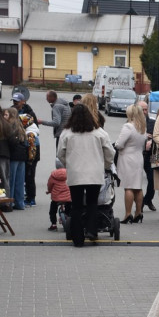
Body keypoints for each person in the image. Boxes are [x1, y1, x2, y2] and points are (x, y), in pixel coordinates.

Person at [56, 105, 115, 247]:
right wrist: (106, 165)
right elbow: (110, 152)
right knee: (92, 203)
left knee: (76, 205)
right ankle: (92, 230)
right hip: (94, 173)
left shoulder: (67, 133)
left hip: (75, 173)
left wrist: (68, 164)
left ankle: (77, 238)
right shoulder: (99, 132)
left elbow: (60, 154)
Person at [114, 104, 149, 224]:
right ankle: (138, 212)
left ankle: (128, 214)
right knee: (137, 187)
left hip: (127, 158)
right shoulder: (142, 127)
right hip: (138, 157)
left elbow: (119, 144)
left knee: (128, 187)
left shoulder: (128, 126)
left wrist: (116, 144)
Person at [4, 107, 29, 210]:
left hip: (13, 155)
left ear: (11, 115)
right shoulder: (20, 125)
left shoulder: (9, 126)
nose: (4, 117)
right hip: (22, 156)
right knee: (20, 180)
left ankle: (10, 202)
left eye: (6, 114)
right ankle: (20, 203)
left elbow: (10, 142)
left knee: (11, 180)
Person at [46, 158, 71, 231]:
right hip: (68, 197)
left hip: (56, 197)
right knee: (69, 207)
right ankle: (69, 219)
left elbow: (50, 185)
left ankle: (53, 224)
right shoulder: (69, 173)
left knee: (52, 210)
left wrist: (49, 191)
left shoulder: (53, 175)